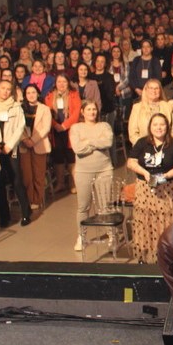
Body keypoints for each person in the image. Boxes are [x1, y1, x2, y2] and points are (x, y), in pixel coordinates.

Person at [127, 112, 173, 263]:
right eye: (155, 125)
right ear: (150, 127)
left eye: (162, 124)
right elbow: (131, 162)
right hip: (145, 189)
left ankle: (166, 256)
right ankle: (145, 257)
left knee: (166, 222)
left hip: (168, 189)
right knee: (145, 221)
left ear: (167, 126)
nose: (159, 128)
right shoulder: (142, 143)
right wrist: (145, 173)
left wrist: (164, 176)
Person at [0, 80, 32, 228]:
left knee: (16, 180)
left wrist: (10, 145)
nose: (5, 91)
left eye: (8, 89)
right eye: (3, 88)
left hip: (11, 147)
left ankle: (26, 212)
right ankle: (4, 216)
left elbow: (20, 127)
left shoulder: (16, 106)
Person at [69, 99, 114, 250]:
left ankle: (111, 234)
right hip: (83, 171)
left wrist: (87, 141)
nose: (92, 112)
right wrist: (96, 142)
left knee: (104, 205)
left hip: (104, 169)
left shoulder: (104, 125)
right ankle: (81, 236)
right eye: (88, 109)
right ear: (82, 111)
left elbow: (107, 142)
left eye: (94, 109)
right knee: (83, 206)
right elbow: (77, 149)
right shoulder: (76, 128)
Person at [18, 84, 52, 214]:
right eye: (28, 93)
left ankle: (37, 200)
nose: (31, 95)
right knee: (27, 175)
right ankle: (29, 198)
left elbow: (46, 128)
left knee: (38, 174)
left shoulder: (44, 109)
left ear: (38, 93)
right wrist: (25, 139)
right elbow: (17, 127)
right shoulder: (20, 108)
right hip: (24, 145)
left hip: (39, 144)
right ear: (25, 95)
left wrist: (33, 140)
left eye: (33, 92)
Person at [45, 74, 81, 194]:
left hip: (70, 129)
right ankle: (60, 183)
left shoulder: (74, 94)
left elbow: (76, 112)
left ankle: (73, 183)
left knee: (71, 157)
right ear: (55, 83)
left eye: (64, 82)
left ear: (68, 83)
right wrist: (56, 125)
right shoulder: (49, 96)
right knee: (58, 157)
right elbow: (47, 113)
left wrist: (65, 125)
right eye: (59, 82)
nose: (61, 84)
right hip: (55, 131)